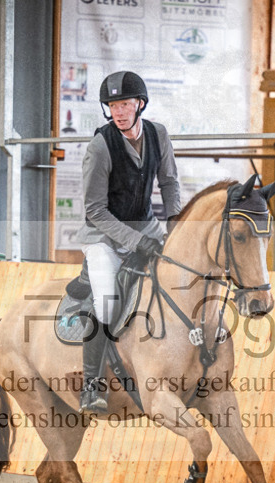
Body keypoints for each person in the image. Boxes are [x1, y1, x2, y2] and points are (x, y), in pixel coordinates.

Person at [77, 70, 182, 414]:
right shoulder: (101, 146)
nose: (118, 111)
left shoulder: (158, 134)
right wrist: (136, 241)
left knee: (181, 270)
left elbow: (168, 183)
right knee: (107, 303)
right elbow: (94, 210)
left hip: (145, 226)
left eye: (124, 104)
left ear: (140, 104)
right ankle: (91, 384)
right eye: (112, 105)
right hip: (103, 235)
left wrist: (175, 224)